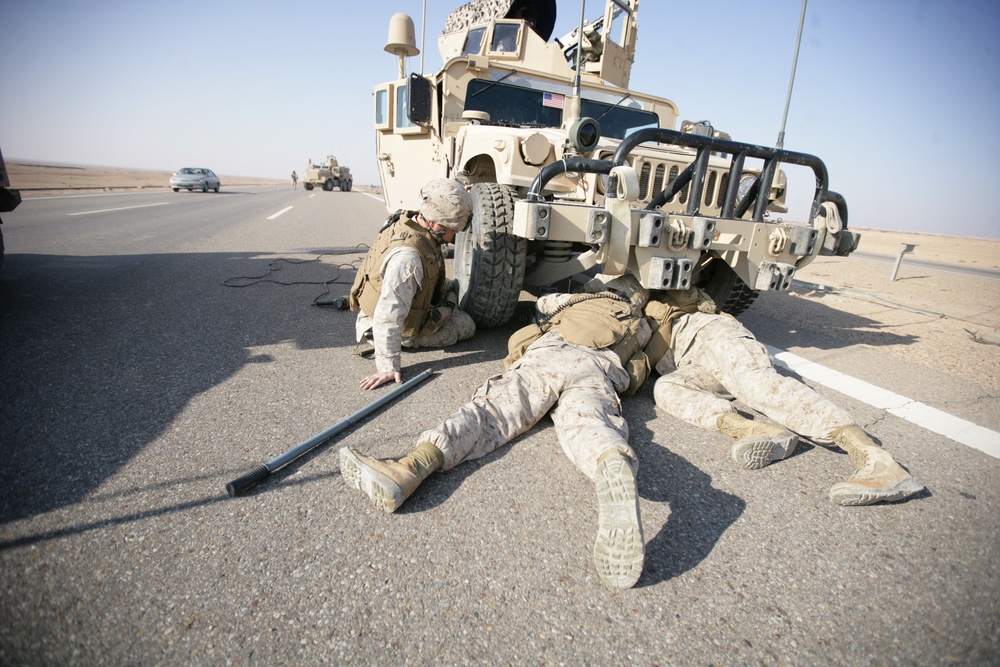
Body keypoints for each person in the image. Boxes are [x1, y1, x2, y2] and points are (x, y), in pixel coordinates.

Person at [340, 273, 654, 589]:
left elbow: (543, 305)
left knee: (491, 413)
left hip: (552, 357)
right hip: (600, 368)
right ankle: (611, 461)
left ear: (607, 289)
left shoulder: (578, 300)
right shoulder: (640, 325)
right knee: (591, 421)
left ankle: (409, 469)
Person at [643, 287, 924, 506]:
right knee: (666, 389)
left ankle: (877, 462)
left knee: (757, 385)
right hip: (691, 363)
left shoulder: (666, 292)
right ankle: (760, 432)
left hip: (715, 339)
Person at [349, 178, 476, 391]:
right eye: (452, 228)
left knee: (452, 289)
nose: (455, 234)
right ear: (436, 221)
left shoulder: (410, 221)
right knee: (465, 325)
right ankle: (402, 344)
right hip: (378, 326)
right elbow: (389, 314)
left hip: (387, 306)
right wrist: (387, 366)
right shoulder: (407, 260)